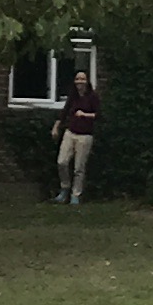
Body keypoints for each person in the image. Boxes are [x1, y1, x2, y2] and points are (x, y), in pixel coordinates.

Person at [54, 61, 102, 204]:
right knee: (61, 162)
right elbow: (64, 112)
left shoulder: (92, 97)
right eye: (77, 79)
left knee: (79, 167)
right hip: (70, 132)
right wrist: (56, 126)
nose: (79, 82)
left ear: (87, 82)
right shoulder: (73, 97)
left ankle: (76, 194)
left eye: (82, 79)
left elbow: (99, 115)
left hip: (85, 136)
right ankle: (65, 188)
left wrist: (85, 114)